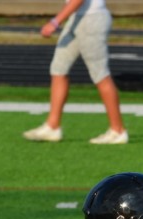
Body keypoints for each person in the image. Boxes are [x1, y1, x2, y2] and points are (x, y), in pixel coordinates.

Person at [22, 0, 128, 145]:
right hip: (76, 18)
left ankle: (118, 130)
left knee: (100, 74)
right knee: (58, 69)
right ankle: (52, 126)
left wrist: (55, 22)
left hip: (91, 19)